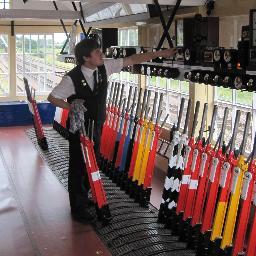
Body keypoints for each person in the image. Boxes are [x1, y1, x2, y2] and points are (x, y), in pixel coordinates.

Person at [47, 38, 176, 223]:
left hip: (97, 124)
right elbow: (52, 97)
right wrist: (71, 107)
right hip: (80, 127)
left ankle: (84, 196)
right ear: (86, 57)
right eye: (97, 52)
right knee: (78, 165)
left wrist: (160, 54)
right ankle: (78, 207)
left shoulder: (104, 68)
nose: (102, 54)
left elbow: (132, 59)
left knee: (93, 162)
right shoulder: (71, 78)